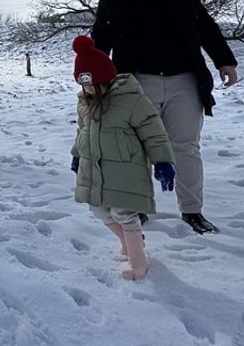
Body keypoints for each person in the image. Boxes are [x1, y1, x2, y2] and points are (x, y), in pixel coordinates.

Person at [92, 0, 238, 235]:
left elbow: (205, 26)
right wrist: (94, 76)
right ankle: (140, 208)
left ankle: (193, 211)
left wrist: (225, 61)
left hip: (184, 81)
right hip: (135, 82)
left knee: (185, 146)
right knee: (136, 148)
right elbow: (100, 37)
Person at [69, 35, 176, 280]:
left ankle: (139, 265)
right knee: (97, 209)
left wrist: (162, 161)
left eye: (90, 84)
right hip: (95, 168)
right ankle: (130, 243)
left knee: (124, 214)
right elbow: (82, 130)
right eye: (82, 84)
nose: (86, 89)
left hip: (126, 171)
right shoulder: (85, 102)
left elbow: (154, 133)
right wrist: (77, 154)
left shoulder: (132, 100)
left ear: (104, 79)